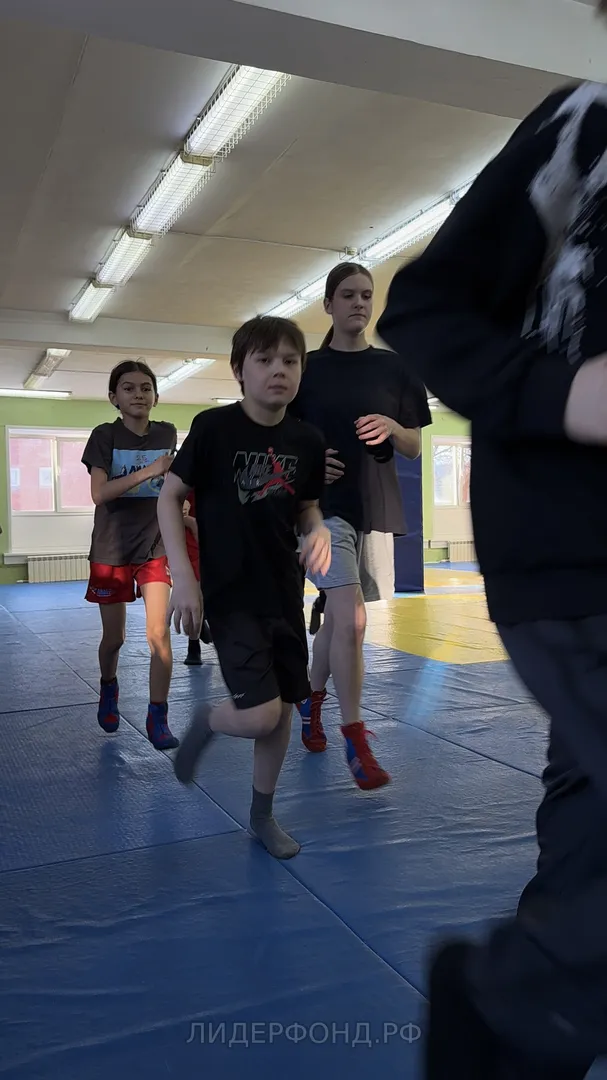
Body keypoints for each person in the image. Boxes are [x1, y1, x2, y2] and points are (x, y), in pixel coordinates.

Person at [377, 27, 607, 1078]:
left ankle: (525, 1022)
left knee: (590, 827)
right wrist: (559, 394)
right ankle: (515, 1003)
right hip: (577, 557)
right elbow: (424, 306)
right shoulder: (584, 128)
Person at [157, 315, 330, 860]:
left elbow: (306, 506)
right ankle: (209, 719)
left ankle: (262, 815)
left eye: (290, 361)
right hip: (230, 596)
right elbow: (169, 497)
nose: (279, 370)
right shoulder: (213, 429)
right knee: (260, 714)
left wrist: (318, 529)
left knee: (282, 708)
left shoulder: (306, 439)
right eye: (265, 360)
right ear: (239, 370)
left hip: (284, 593)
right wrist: (184, 577)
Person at [290, 262, 431, 789]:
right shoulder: (306, 369)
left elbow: (414, 445)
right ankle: (355, 734)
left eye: (366, 295)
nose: (359, 303)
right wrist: (308, 463)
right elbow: (280, 437)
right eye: (347, 295)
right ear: (328, 304)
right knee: (352, 619)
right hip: (318, 511)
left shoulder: (396, 369)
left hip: (367, 506)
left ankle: (311, 701)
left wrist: (393, 425)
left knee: (338, 619)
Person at [81, 359, 179, 751]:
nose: (138, 394)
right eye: (128, 388)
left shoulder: (167, 432)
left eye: (145, 387)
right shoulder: (104, 435)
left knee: (158, 634)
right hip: (111, 548)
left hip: (154, 545)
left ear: (155, 396)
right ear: (114, 398)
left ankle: (158, 714)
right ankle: (109, 686)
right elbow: (99, 494)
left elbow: (170, 485)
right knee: (114, 638)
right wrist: (149, 470)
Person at [182, 491, 212, 666]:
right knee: (195, 592)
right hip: (190, 540)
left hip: (210, 532)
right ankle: (193, 645)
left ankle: (202, 619)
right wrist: (189, 521)